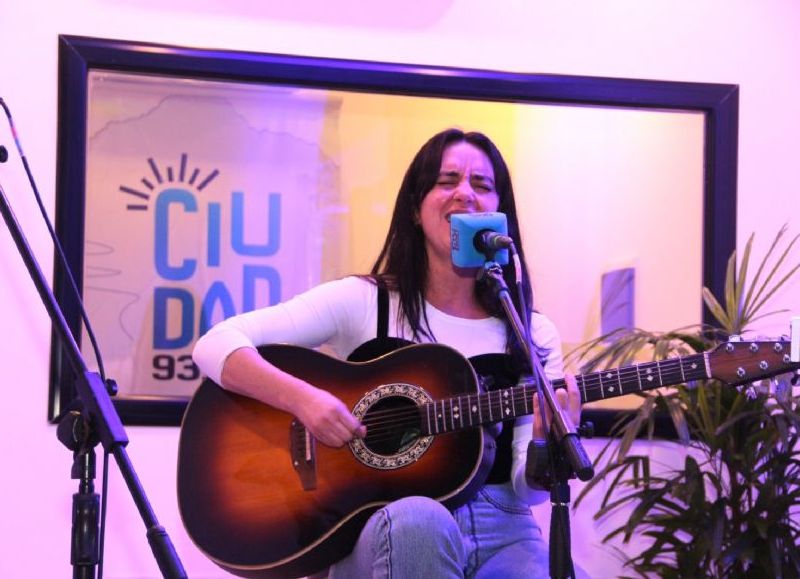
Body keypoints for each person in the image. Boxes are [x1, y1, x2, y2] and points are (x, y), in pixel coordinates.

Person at [192, 127, 583, 578]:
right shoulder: (363, 302)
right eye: (447, 180)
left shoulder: (531, 331)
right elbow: (215, 344)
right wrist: (304, 400)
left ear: (499, 213)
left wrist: (543, 445)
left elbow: (527, 490)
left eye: (482, 184)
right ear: (416, 208)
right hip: (387, 527)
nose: (465, 193)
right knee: (421, 521)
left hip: (504, 529)